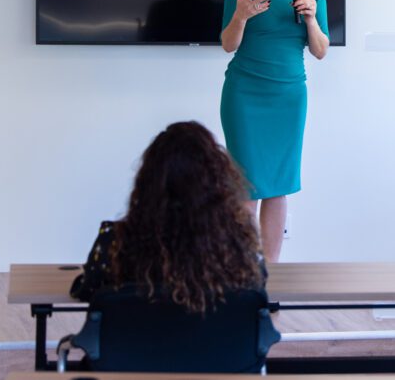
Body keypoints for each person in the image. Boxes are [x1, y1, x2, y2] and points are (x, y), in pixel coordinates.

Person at [220, 0, 329, 262]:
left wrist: (312, 19)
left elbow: (320, 51)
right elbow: (228, 44)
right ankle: (243, 276)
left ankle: (271, 277)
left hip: (289, 95)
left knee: (278, 187)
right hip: (245, 94)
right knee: (247, 187)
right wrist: (240, 15)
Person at [70, 121, 266, 312]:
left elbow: (88, 290)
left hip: (140, 344)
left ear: (147, 182)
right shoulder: (238, 244)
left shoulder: (115, 242)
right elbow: (258, 283)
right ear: (218, 183)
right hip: (219, 345)